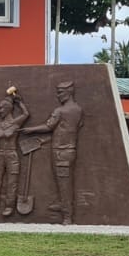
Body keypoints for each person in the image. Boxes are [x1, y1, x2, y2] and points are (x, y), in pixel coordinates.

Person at [22, 81, 85, 226]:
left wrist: (31, 130)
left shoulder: (60, 111)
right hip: (69, 150)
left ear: (69, 92)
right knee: (62, 181)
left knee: (64, 184)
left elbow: (49, 126)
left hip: (60, 152)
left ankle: (67, 216)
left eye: (60, 93)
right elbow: (67, 129)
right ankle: (62, 203)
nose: (58, 96)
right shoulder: (79, 110)